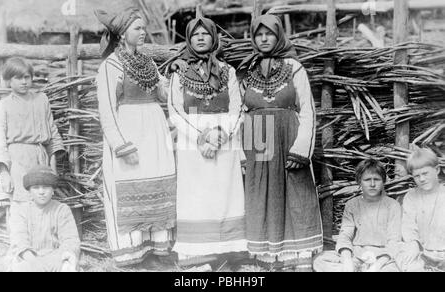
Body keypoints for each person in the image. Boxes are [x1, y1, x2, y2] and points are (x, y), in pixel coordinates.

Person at [236, 15, 323, 271]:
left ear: (278, 36)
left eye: (269, 34)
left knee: (294, 191)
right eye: (258, 34)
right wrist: (243, 153)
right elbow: (239, 113)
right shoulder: (247, 70)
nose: (264, 39)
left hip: (289, 136)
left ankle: (298, 256)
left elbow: (307, 109)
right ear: (253, 38)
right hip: (257, 139)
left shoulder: (294, 66)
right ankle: (268, 256)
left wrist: (301, 148)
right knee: (263, 191)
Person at [95, 8, 177, 267]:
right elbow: (106, 110)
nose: (143, 33)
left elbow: (164, 95)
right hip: (129, 133)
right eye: (137, 29)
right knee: (130, 187)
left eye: (144, 28)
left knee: (156, 183)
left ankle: (156, 248)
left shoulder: (149, 63)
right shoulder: (110, 66)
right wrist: (121, 145)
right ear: (122, 34)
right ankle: (132, 253)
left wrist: (176, 77)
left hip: (154, 132)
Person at [168, 16, 247, 266]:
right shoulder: (179, 72)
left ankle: (227, 249)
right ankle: (197, 253)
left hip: (225, 142)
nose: (200, 38)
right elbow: (174, 109)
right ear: (189, 39)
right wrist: (202, 137)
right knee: (196, 194)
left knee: (225, 192)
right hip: (193, 142)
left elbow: (238, 108)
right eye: (195, 35)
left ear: (214, 38)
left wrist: (219, 136)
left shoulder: (228, 71)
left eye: (205, 34)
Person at [0, 57, 65, 204]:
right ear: (9, 80)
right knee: (20, 206)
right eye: (18, 78)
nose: (24, 82)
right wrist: (4, 172)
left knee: (42, 207)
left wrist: (52, 169)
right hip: (17, 162)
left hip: (41, 160)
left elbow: (52, 135)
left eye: (27, 77)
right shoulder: (3, 106)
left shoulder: (41, 100)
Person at [313, 159, 402, 272]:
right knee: (319, 261)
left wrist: (377, 265)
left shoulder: (393, 206)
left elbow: (394, 241)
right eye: (367, 180)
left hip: (382, 257)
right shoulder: (352, 205)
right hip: (357, 255)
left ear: (383, 181)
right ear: (359, 181)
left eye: (377, 179)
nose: (372, 184)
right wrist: (347, 262)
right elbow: (345, 236)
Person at [7, 166, 80, 272]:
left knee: (68, 266)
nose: (41, 192)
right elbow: (19, 240)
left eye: (46, 187)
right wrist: (35, 262)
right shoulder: (20, 211)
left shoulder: (62, 209)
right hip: (28, 258)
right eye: (36, 187)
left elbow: (70, 239)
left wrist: (58, 258)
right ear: (29, 191)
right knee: (21, 267)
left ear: (53, 190)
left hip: (55, 256)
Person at [396, 148, 445, 272]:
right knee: (401, 255)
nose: (422, 179)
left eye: (425, 173)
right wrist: (413, 243)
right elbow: (408, 225)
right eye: (417, 176)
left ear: (437, 170)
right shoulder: (411, 196)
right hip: (422, 251)